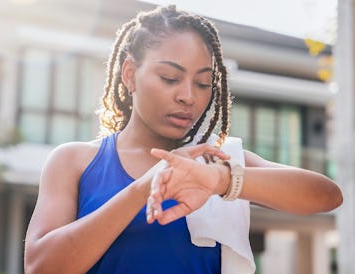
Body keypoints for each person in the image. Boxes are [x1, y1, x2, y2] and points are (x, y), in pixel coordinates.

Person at [24, 5, 343, 274]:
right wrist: (141, 188)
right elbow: (40, 266)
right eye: (170, 78)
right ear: (130, 74)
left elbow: (326, 196)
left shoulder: (216, 160)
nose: (188, 97)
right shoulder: (74, 161)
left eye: (203, 83)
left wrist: (222, 180)